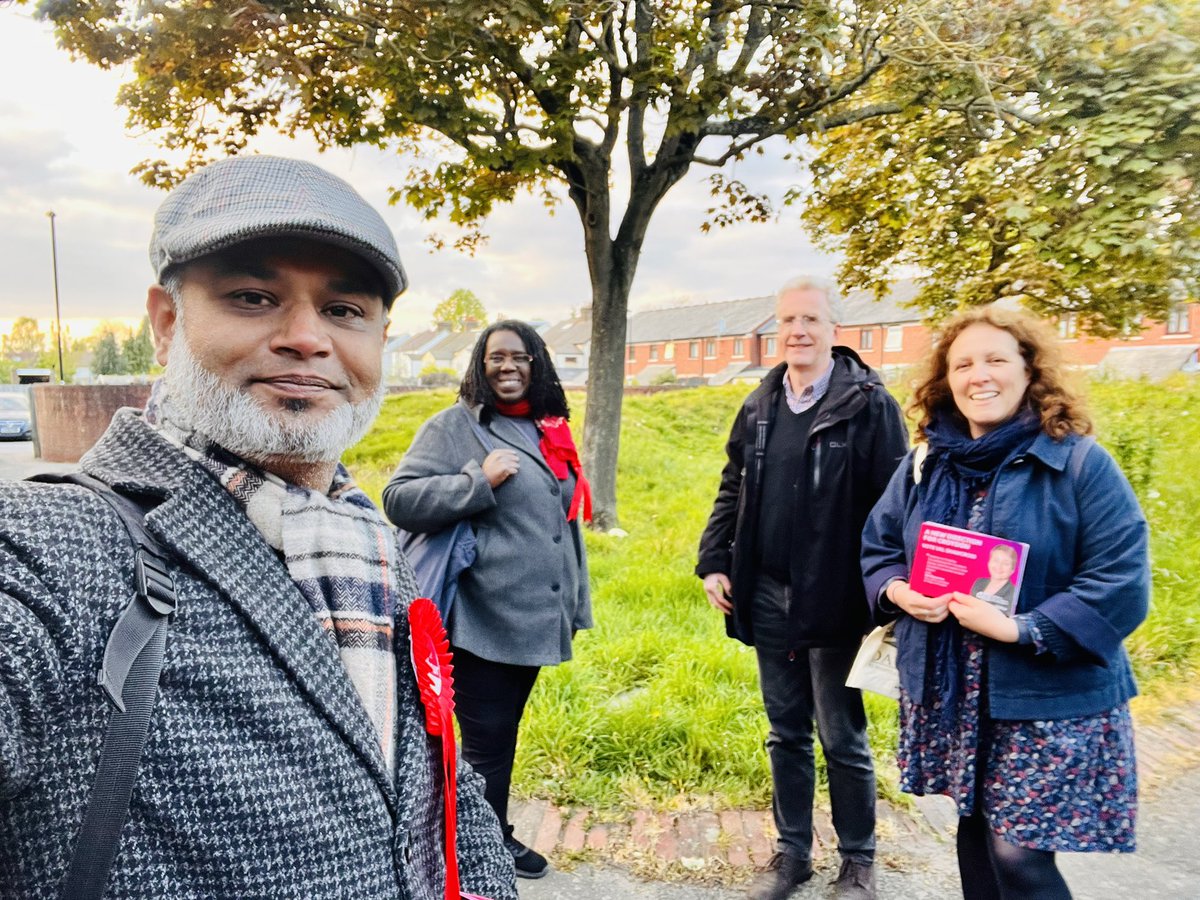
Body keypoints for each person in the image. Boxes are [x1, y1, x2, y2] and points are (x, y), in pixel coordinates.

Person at [0, 156, 516, 900]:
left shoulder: (367, 542)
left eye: (344, 311)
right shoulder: (57, 543)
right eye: (253, 296)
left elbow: (437, 785)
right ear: (167, 320)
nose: (307, 338)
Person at [861, 306, 1150, 900]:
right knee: (974, 836)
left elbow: (1121, 581)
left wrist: (1022, 628)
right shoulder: (926, 464)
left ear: (1028, 371)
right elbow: (879, 547)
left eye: (996, 359)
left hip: (1044, 695)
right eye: (963, 363)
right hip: (953, 695)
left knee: (1017, 858)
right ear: (947, 379)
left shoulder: (1077, 462)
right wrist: (897, 592)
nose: (979, 375)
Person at [696, 277, 908, 900]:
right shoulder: (760, 403)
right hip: (765, 592)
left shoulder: (869, 404)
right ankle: (792, 855)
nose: (798, 331)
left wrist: (884, 589)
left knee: (840, 735)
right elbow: (732, 484)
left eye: (811, 320)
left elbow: (894, 506)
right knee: (784, 729)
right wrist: (715, 560)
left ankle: (858, 862)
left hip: (835, 598)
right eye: (787, 320)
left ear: (833, 331)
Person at [383, 320, 592, 879]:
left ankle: (474, 837)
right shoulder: (456, 427)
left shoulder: (549, 430)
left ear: (537, 363)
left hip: (534, 619)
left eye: (519, 357)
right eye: (495, 356)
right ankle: (483, 849)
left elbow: (564, 526)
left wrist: (575, 604)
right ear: (480, 363)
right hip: (481, 619)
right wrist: (478, 481)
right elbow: (398, 499)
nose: (507, 366)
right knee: (488, 745)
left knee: (497, 739)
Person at [970, 545, 1019, 613]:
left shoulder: (1014, 592)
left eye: (1006, 563)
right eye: (996, 560)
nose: (999, 566)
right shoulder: (979, 582)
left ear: (1012, 569)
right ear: (989, 562)